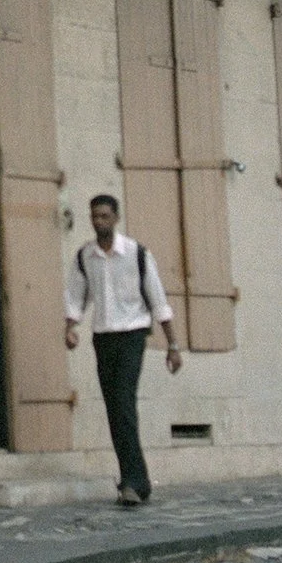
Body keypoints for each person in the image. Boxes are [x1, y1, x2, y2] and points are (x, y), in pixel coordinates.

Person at [64, 191, 182, 505]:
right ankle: (136, 481)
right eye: (94, 216)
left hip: (132, 334)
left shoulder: (137, 254)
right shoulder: (84, 257)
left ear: (116, 218)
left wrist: (173, 345)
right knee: (114, 409)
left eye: (104, 216)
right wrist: (71, 328)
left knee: (123, 402)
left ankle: (133, 481)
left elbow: (158, 300)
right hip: (103, 337)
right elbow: (76, 298)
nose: (98, 222)